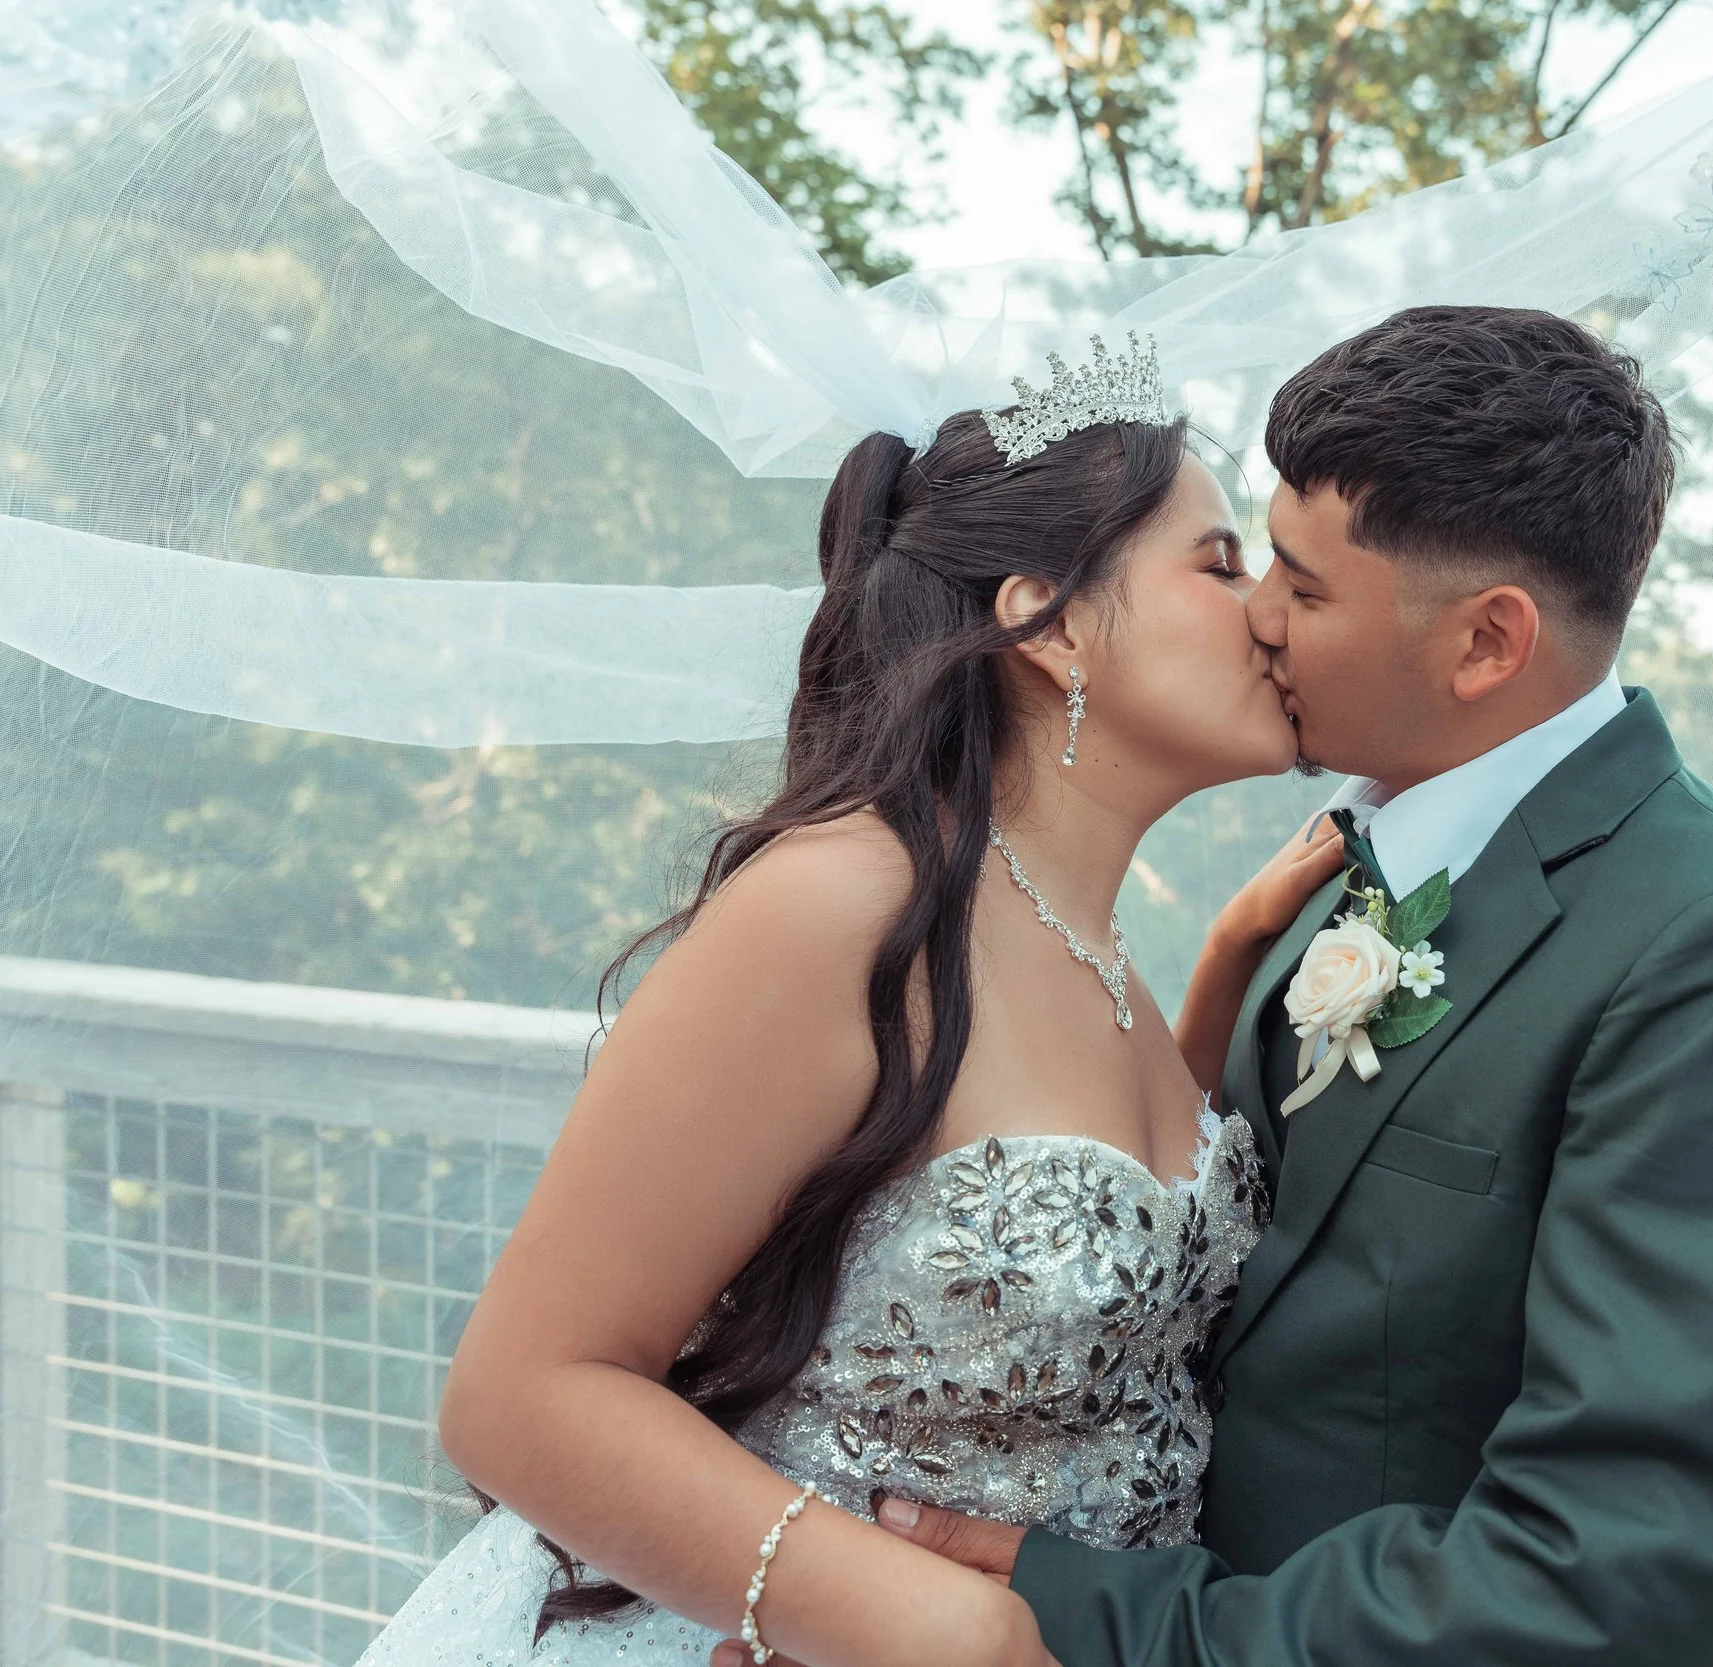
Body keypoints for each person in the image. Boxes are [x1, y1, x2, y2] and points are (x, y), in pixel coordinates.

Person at [822, 304, 1713, 1667]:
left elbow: (1614, 1575)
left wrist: (1085, 1614)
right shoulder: (1345, 881)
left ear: (1486, 644)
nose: (1256, 618)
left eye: (1302, 583)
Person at [351, 362, 1352, 1667]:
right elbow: (517, 1393)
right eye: (1221, 565)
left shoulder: (1104, 954)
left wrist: (1226, 964)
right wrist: (948, 1627)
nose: (1271, 612)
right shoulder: (838, 901)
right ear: (1050, 621)